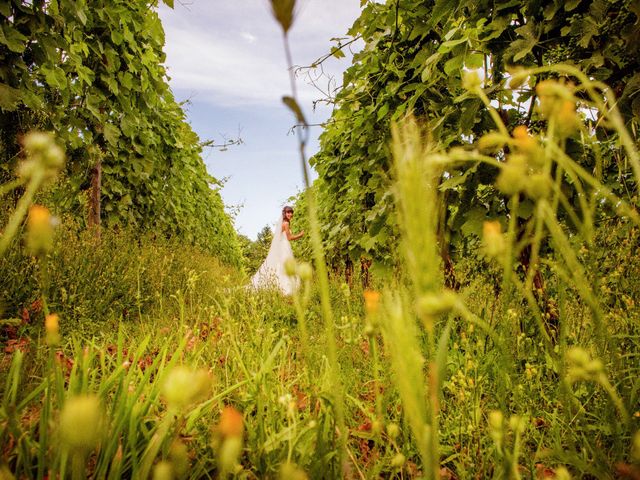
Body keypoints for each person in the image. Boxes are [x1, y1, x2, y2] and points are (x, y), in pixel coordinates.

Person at [251, 206, 304, 295]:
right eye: (288, 212)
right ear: (284, 213)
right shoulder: (286, 223)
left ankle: (280, 285)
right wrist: (300, 235)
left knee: (282, 265)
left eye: (291, 212)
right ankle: (285, 287)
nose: (290, 214)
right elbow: (289, 237)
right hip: (284, 246)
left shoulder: (283, 223)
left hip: (282, 245)